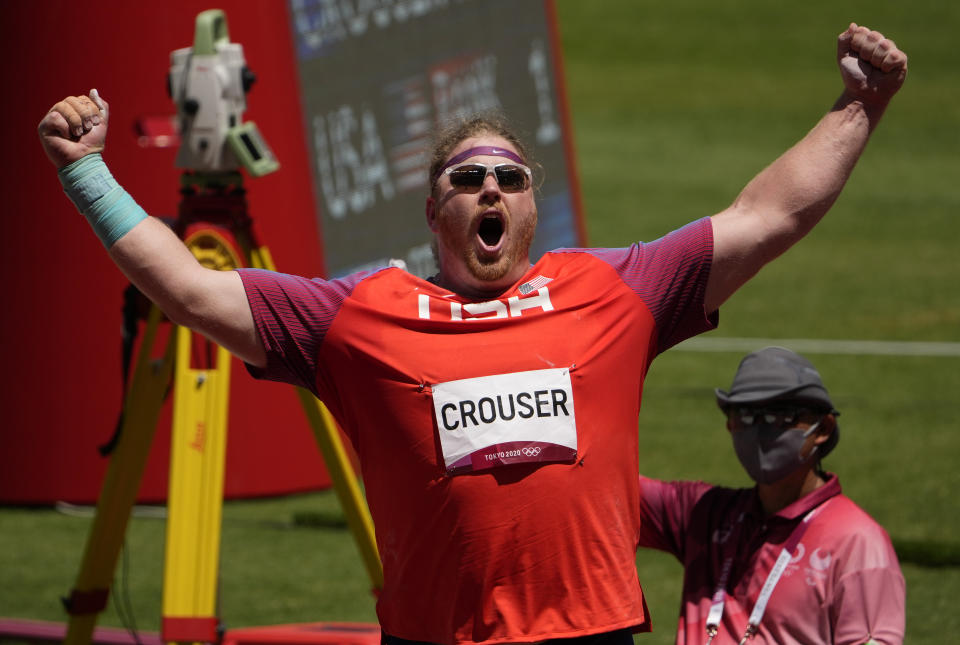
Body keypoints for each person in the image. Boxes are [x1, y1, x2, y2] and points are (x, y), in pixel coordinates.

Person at [38, 22, 906, 645]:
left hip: (591, 634)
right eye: (468, 177)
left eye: (509, 176)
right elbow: (191, 287)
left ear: (532, 204)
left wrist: (859, 105)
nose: (490, 187)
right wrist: (86, 172)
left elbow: (765, 215)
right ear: (434, 210)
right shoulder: (357, 315)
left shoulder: (611, 288)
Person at [637, 347, 906, 645]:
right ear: (729, 425)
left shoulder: (857, 542)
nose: (760, 431)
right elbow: (604, 491)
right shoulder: (704, 514)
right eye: (746, 416)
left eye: (779, 416)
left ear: (823, 428)